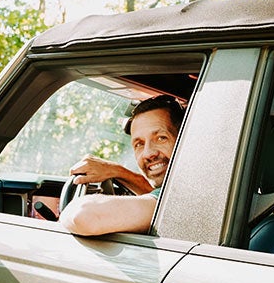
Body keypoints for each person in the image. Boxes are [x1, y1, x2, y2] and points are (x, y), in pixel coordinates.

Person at [59, 94, 183, 235]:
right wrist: (117, 172)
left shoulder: (182, 196)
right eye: (139, 144)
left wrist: (61, 218)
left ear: (184, 139)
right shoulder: (182, 189)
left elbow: (83, 215)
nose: (148, 153)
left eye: (161, 138)